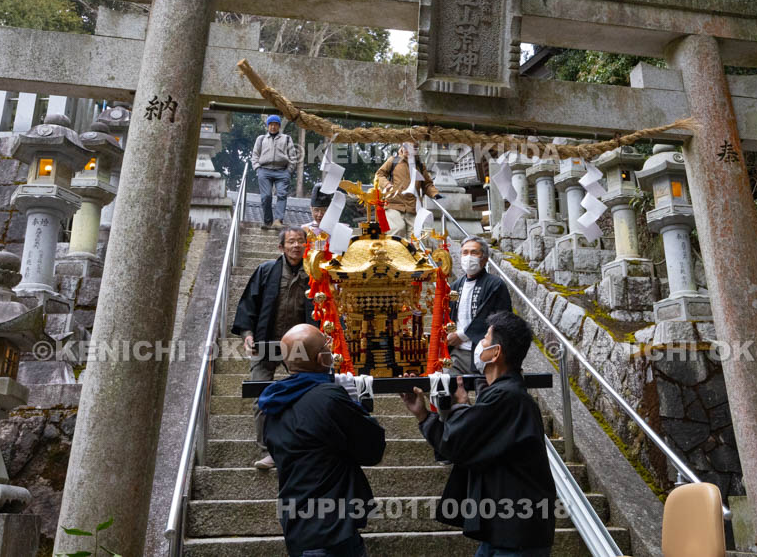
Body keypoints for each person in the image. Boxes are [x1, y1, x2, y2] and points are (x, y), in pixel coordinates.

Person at [400, 311, 557, 557]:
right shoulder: (505, 395)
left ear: (495, 352)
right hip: (504, 532)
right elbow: (468, 443)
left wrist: (458, 408)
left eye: (484, 339)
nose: (478, 345)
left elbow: (456, 441)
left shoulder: (508, 398)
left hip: (517, 536)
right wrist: (428, 414)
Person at [260, 324, 386, 557]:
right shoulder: (328, 398)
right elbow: (372, 449)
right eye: (328, 347)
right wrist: (356, 405)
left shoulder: (273, 404)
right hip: (331, 528)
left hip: (297, 523)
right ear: (322, 358)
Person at [231, 226, 314, 469]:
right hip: (265, 343)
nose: (296, 246)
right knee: (260, 397)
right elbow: (248, 305)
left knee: (308, 396)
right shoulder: (266, 271)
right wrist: (247, 335)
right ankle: (269, 451)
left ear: (306, 245)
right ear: (281, 247)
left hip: (300, 346)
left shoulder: (313, 273)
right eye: (291, 242)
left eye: (300, 241)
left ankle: (303, 447)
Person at [447, 236, 512, 375]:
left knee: (485, 393)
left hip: (485, 352)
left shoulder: (495, 284)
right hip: (457, 352)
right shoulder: (455, 286)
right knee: (447, 388)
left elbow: (495, 317)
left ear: (485, 258)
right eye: (465, 252)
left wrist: (462, 335)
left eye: (474, 252)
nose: (468, 257)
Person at [374, 142, 440, 238]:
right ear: (401, 146)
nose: (408, 150)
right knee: (397, 229)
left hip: (412, 207)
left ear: (416, 150)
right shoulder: (393, 160)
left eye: (412, 148)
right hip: (394, 204)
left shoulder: (420, 166)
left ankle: (412, 252)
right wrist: (386, 184)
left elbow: (427, 184)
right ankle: (394, 252)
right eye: (405, 147)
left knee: (416, 236)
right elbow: (379, 174)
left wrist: (435, 194)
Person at [251, 114, 298, 228]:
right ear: (268, 126)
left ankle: (278, 221)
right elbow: (255, 155)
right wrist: (257, 168)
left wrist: (288, 171)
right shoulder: (261, 139)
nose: (273, 127)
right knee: (266, 196)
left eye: (275, 124)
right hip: (264, 170)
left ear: (279, 126)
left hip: (282, 171)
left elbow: (293, 156)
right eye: (271, 124)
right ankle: (268, 222)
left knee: (282, 195)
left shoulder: (286, 138)